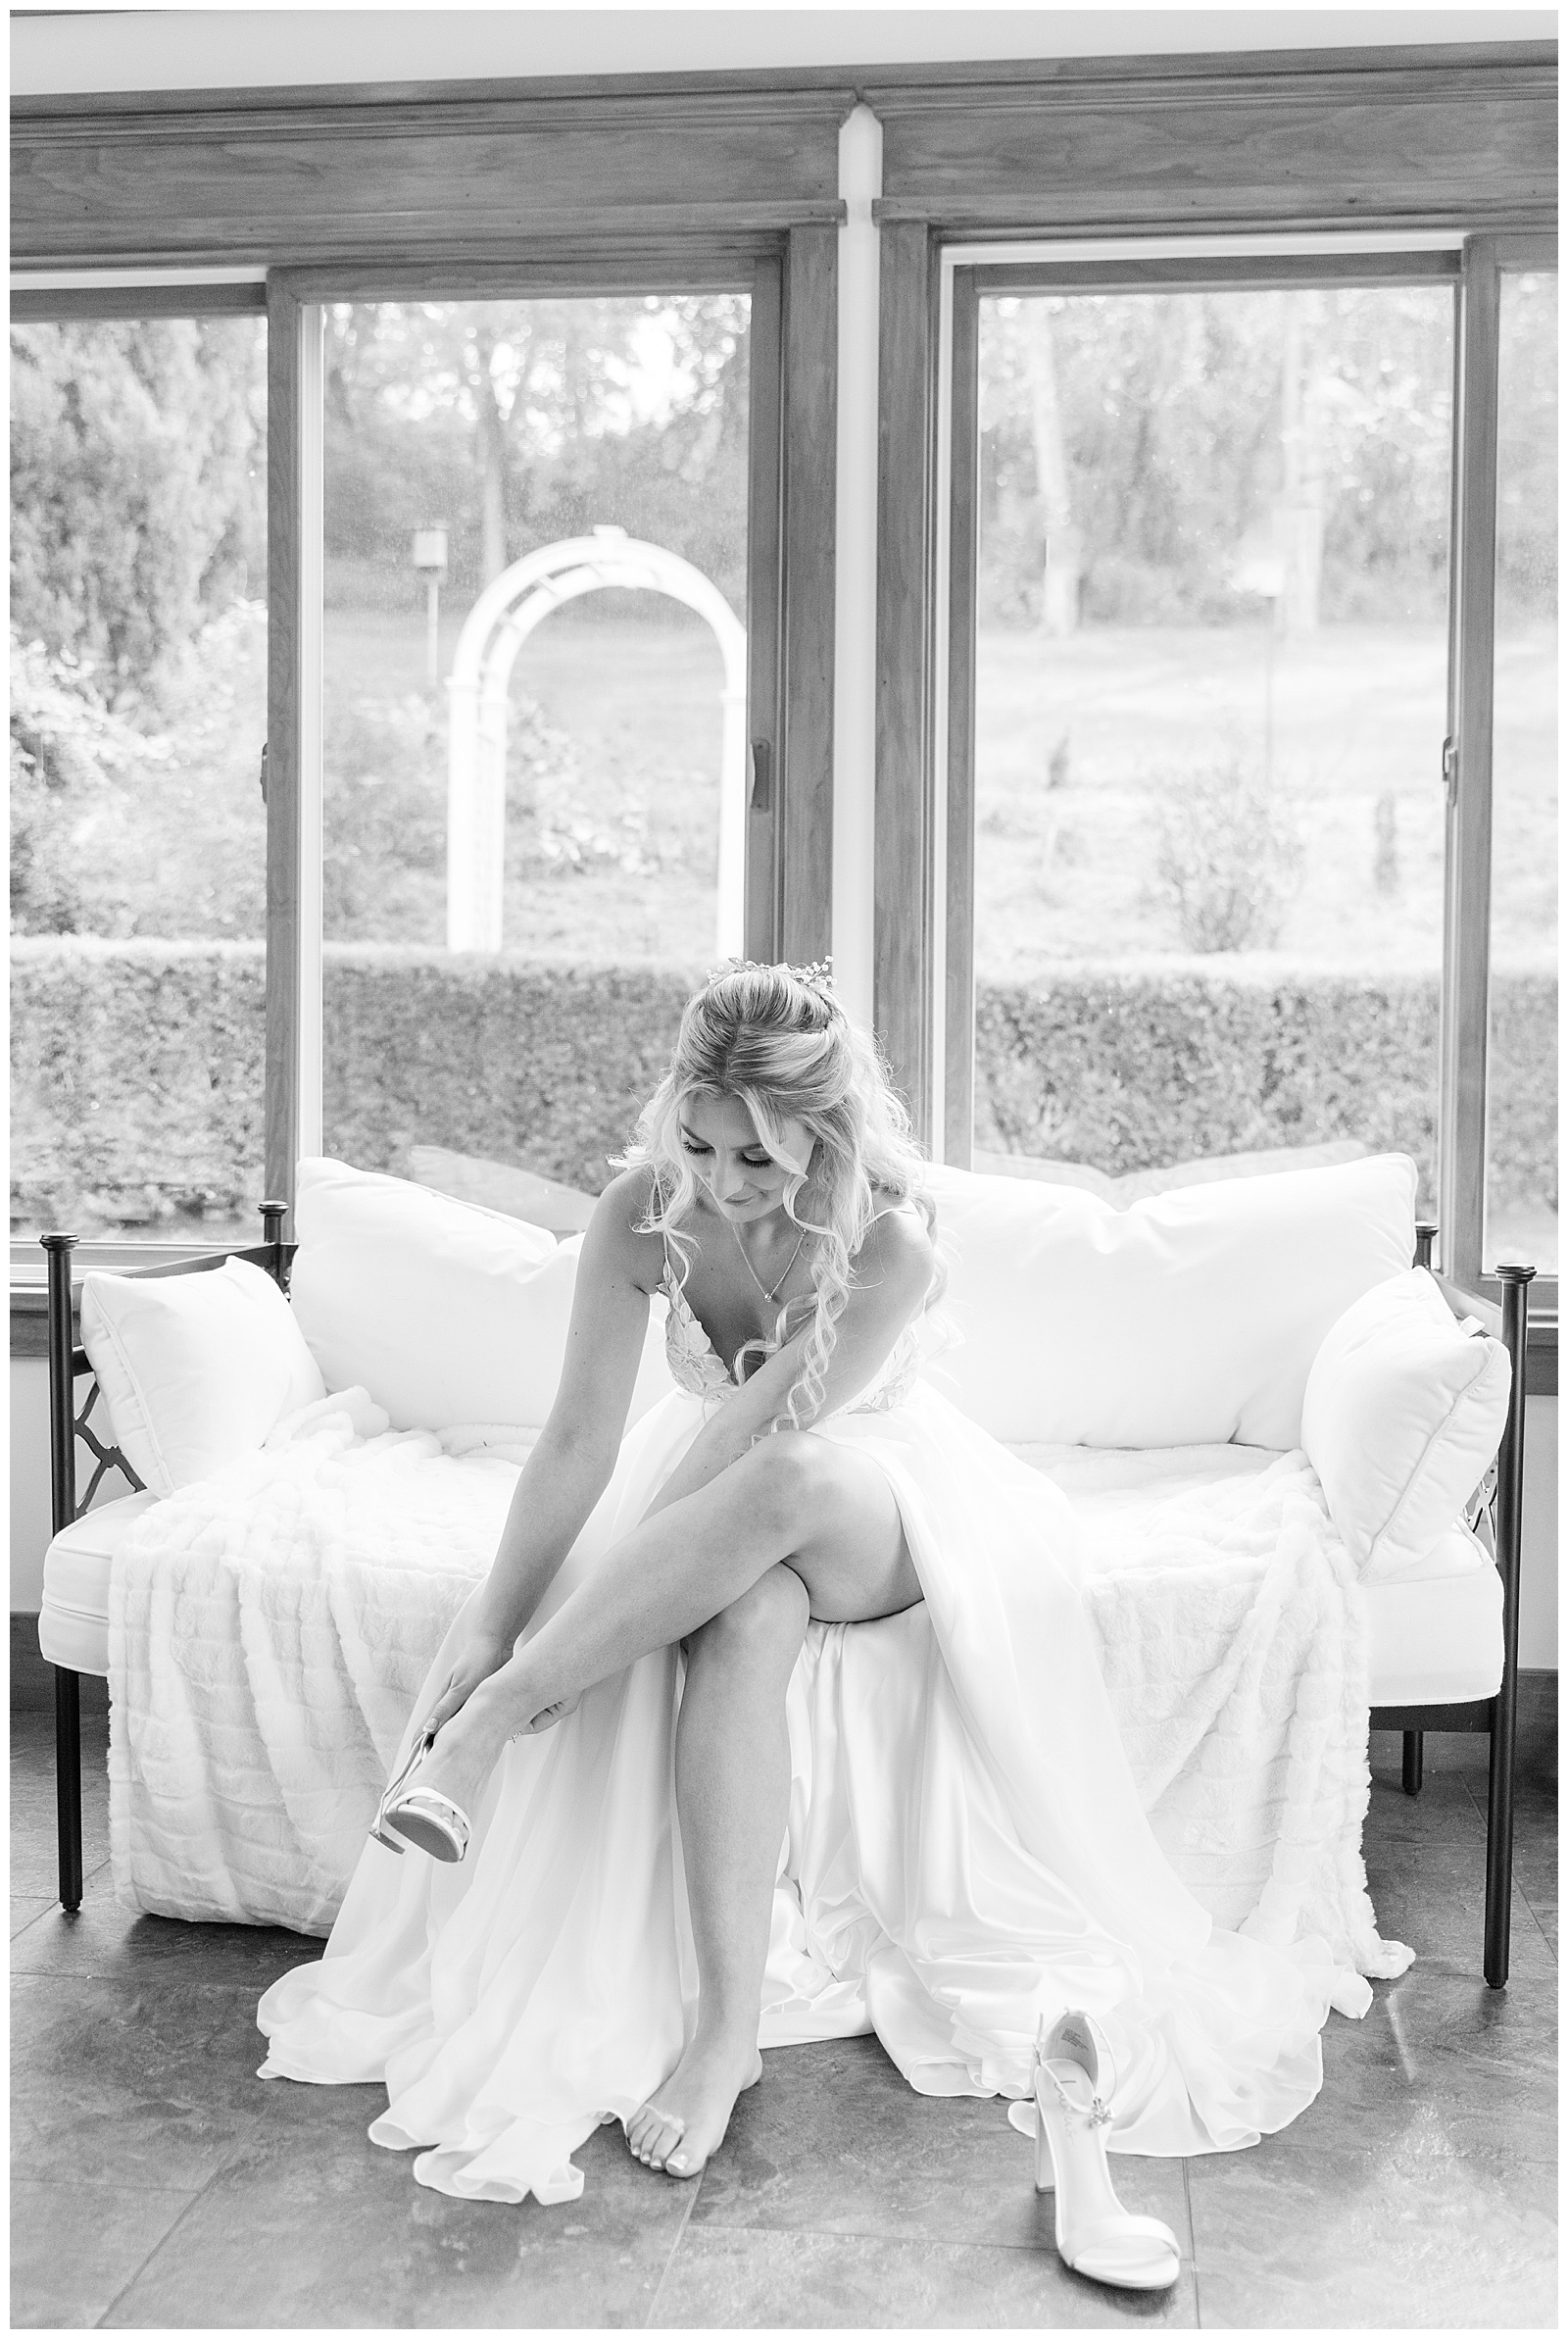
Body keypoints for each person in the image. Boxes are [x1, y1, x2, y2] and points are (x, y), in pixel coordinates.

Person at [259, 961, 1336, 2280]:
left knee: (783, 1482)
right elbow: (580, 1440)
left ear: (826, 1136)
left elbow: (757, 1437)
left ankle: (491, 1731)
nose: (722, 1184)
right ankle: (725, 2030)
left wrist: (530, 1667)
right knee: (745, 1617)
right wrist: (494, 1615)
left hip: (880, 1502)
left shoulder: (890, 1244)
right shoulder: (641, 1213)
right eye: (700, 1145)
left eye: (760, 1162)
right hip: (725, 1511)